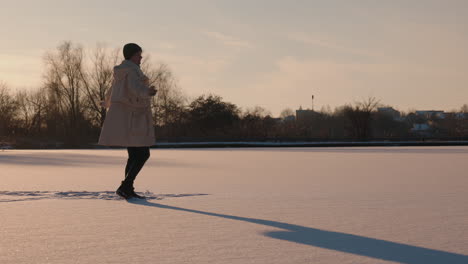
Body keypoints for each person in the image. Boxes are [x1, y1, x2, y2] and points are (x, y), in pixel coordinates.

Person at [97, 43, 157, 199]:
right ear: (131, 55)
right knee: (143, 153)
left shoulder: (122, 72)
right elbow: (135, 89)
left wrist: (108, 102)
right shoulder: (131, 72)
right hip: (133, 118)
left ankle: (127, 188)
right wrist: (148, 91)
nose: (141, 57)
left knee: (134, 155)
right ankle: (125, 186)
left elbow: (113, 91)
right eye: (138, 54)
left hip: (128, 117)